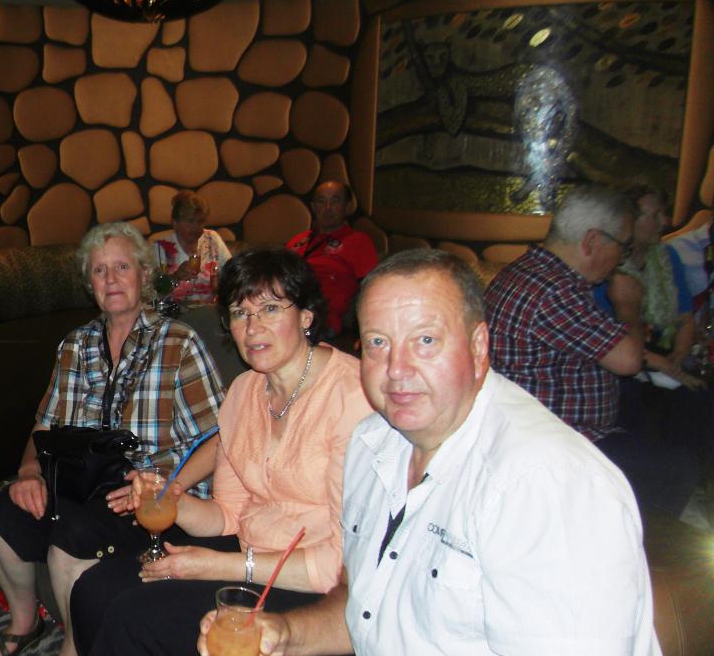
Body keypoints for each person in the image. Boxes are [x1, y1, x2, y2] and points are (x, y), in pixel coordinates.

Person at [198, 249, 661, 656]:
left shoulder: (544, 485)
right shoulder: (373, 443)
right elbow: (365, 610)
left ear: (479, 345)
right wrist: (283, 634)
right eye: (378, 342)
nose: (397, 369)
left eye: (425, 340)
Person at [71, 249, 372, 656]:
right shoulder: (244, 392)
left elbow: (342, 561)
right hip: (248, 554)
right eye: (239, 313)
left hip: (311, 585)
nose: (252, 328)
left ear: (306, 316)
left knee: (134, 616)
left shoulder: (352, 398)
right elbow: (227, 514)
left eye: (270, 309)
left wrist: (216, 566)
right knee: (93, 588)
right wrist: (168, 498)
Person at [0, 222, 225, 656]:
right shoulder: (75, 345)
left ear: (144, 275)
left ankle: (77, 645)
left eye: (122, 267)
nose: (111, 279)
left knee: (71, 540)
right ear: (89, 282)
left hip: (147, 494)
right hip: (79, 482)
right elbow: (44, 425)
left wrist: (165, 490)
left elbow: (220, 438)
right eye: (99, 270)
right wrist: (29, 471)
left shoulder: (179, 343)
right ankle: (25, 622)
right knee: (3, 516)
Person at [485, 184, 698, 517]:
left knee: (661, 411)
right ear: (592, 241)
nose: (622, 259)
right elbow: (628, 360)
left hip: (538, 424)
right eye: (623, 247)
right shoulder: (554, 290)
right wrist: (628, 305)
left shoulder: (531, 272)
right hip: (556, 438)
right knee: (679, 467)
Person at [593, 185, 713, 495]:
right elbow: (607, 336)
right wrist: (666, 366)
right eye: (655, 214)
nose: (664, 221)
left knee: (699, 397)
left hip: (662, 355)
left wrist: (679, 356)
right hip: (622, 359)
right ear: (629, 221)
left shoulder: (667, 256)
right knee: (635, 397)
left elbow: (685, 317)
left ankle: (692, 485)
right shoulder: (608, 265)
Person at [286, 180, 378, 342]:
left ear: (347, 207)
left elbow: (372, 288)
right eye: (321, 201)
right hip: (284, 309)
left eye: (335, 200)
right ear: (313, 207)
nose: (327, 207)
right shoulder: (298, 240)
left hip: (318, 319)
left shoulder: (358, 242)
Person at [155, 190, 232, 304]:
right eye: (190, 221)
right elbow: (155, 293)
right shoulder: (161, 248)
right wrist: (176, 277)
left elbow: (233, 273)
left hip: (211, 309)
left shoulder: (212, 239)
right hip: (175, 311)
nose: (196, 227)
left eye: (200, 221)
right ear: (175, 223)